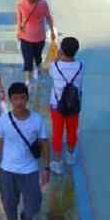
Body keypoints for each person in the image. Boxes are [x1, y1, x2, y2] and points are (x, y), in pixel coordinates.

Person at [0, 82, 50, 220]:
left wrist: (46, 168)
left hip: (29, 170)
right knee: (9, 204)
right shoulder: (3, 120)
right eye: (15, 99)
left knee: (34, 204)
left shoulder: (37, 120)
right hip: (7, 170)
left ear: (27, 98)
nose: (19, 102)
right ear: (10, 100)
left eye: (22, 98)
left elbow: (44, 143)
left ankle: (26, 217)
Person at [48, 37, 83, 175]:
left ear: (61, 50)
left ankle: (57, 161)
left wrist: (57, 57)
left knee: (57, 132)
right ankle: (70, 155)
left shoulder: (55, 66)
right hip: (74, 104)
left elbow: (51, 73)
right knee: (72, 130)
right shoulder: (81, 65)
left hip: (57, 104)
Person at [16, 0, 57, 86]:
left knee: (38, 57)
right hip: (25, 37)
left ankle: (37, 69)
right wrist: (18, 31)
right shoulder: (21, 4)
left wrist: (52, 31)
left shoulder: (42, 4)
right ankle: (27, 80)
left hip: (39, 37)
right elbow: (19, 19)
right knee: (27, 59)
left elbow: (48, 17)